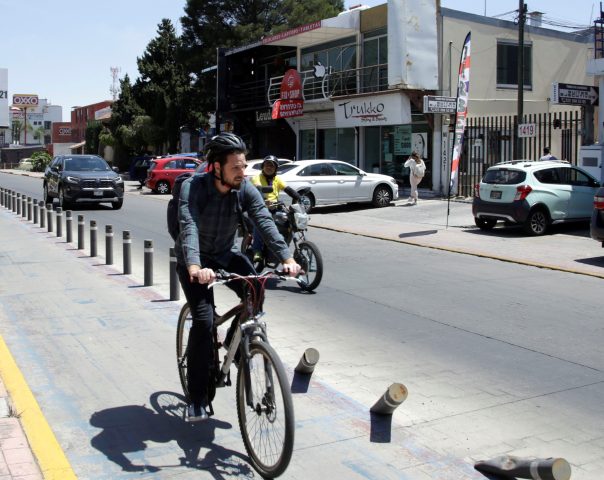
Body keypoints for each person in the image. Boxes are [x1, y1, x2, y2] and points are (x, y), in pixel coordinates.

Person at [174, 133, 301, 422]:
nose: (242, 173)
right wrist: (194, 265)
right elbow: (189, 223)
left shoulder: (244, 188)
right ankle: (196, 398)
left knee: (256, 288)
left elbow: (264, 220)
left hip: (224, 253)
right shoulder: (194, 187)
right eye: (236, 167)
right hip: (194, 262)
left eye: (244, 166)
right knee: (204, 322)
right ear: (216, 167)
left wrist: (287, 258)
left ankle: (235, 342)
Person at [250, 155, 301, 262]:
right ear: (263, 167)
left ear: (276, 168)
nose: (269, 167)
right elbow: (258, 188)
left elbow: (288, 189)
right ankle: (257, 250)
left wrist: (297, 196)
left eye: (272, 165)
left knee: (290, 221)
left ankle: (283, 246)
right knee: (260, 225)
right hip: (260, 206)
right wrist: (263, 200)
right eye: (267, 165)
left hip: (275, 207)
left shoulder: (277, 179)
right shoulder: (257, 178)